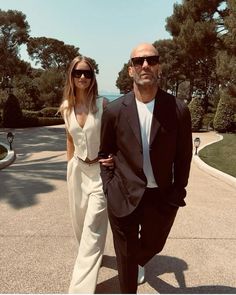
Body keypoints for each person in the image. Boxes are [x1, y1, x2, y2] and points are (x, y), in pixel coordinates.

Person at [99, 43, 193, 293]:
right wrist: (109, 186)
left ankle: (132, 262)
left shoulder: (178, 110)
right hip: (123, 194)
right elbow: (103, 154)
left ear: (159, 66)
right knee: (126, 260)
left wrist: (178, 191)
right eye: (139, 61)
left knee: (154, 245)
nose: (145, 65)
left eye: (151, 60)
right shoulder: (115, 110)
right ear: (130, 70)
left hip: (161, 197)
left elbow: (184, 157)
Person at [59, 55, 113, 293]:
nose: (82, 77)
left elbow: (116, 136)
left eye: (87, 73)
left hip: (99, 173)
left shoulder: (102, 105)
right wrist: (69, 168)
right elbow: (70, 139)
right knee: (80, 226)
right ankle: (93, 258)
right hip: (77, 171)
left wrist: (113, 159)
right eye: (78, 73)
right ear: (71, 76)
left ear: (93, 78)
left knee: (93, 225)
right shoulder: (65, 108)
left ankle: (80, 288)